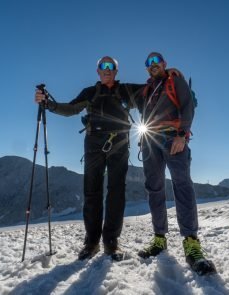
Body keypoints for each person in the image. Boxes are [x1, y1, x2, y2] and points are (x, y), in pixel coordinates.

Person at [34, 56, 143, 261]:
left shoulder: (126, 90)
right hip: (93, 145)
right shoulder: (90, 92)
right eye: (103, 66)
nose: (107, 69)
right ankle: (91, 242)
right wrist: (48, 104)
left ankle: (111, 242)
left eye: (111, 66)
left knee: (116, 193)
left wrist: (171, 76)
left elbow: (152, 90)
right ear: (98, 71)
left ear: (116, 71)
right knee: (91, 193)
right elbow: (71, 109)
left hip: (119, 146)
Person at [136, 52, 215, 274]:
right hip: (150, 141)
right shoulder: (147, 89)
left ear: (164, 63)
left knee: (182, 185)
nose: (152, 65)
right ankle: (159, 238)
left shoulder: (174, 80)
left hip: (173, 138)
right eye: (148, 63)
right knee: (154, 189)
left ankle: (191, 242)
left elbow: (187, 105)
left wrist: (182, 134)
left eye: (155, 61)